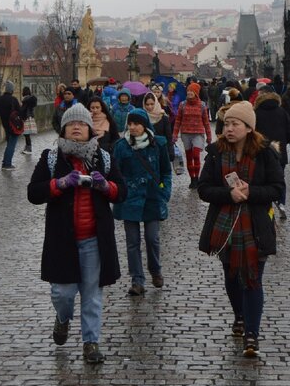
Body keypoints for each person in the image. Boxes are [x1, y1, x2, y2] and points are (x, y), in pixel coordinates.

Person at [27, 102, 126, 365]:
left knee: (92, 294)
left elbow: (122, 191)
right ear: (64, 130)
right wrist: (59, 184)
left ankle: (90, 343)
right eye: (71, 124)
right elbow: (33, 193)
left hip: (94, 238)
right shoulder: (52, 157)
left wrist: (105, 186)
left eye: (82, 124)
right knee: (63, 293)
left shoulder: (103, 158)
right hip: (62, 239)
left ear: (90, 129)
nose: (77, 128)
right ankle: (62, 318)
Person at [197, 101, 285, 358]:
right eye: (226, 124)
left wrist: (250, 192)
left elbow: (277, 188)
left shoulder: (265, 153)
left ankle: (251, 333)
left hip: (255, 225)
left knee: (252, 279)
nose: (229, 128)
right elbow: (203, 188)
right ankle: (239, 315)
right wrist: (228, 194)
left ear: (249, 128)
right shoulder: (215, 153)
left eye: (235, 124)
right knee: (231, 277)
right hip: (224, 226)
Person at [112, 108, 172, 296]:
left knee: (152, 238)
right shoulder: (121, 146)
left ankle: (155, 270)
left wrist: (165, 192)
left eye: (137, 123)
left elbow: (166, 172)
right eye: (130, 124)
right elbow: (115, 173)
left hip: (152, 196)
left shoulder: (158, 144)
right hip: (129, 199)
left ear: (144, 124)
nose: (133, 127)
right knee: (132, 241)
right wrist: (119, 193)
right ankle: (137, 279)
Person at [253, 84, 290, 221]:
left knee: (263, 179)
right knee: (279, 178)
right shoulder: (282, 112)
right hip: (279, 152)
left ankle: (268, 207)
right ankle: (282, 203)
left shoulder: (256, 113)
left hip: (261, 151)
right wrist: (283, 142)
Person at [172, 82, 213, 189]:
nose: (189, 93)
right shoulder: (183, 104)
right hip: (186, 133)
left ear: (196, 93)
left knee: (196, 154)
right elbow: (178, 120)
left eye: (192, 91)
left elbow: (206, 122)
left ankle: (197, 177)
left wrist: (209, 136)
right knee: (189, 157)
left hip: (198, 133)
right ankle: (193, 180)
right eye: (188, 91)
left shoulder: (202, 105)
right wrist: (175, 134)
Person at [0, 81, 23, 170]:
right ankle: (7, 163)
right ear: (11, 90)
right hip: (13, 125)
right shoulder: (13, 99)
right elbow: (20, 112)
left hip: (5, 124)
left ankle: (5, 161)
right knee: (11, 145)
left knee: (9, 143)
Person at [21, 85, 38, 154]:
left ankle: (29, 148)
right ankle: (27, 147)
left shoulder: (26, 100)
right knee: (26, 134)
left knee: (26, 134)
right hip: (30, 117)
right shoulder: (30, 99)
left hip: (26, 118)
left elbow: (23, 109)